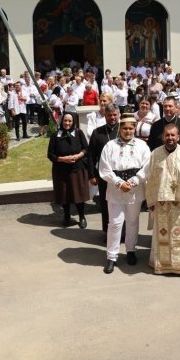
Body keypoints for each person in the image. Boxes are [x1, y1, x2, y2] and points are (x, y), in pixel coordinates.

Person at [145, 122, 180, 275]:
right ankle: (162, 265)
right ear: (163, 137)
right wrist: (150, 201)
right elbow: (150, 178)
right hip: (161, 201)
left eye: (173, 135)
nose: (170, 138)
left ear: (178, 136)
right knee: (162, 235)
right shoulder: (155, 154)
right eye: (167, 135)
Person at [98, 115, 151, 273]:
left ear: (135, 128)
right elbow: (104, 168)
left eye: (131, 128)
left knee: (133, 221)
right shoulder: (110, 145)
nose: (128, 131)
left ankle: (131, 250)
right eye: (125, 128)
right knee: (115, 223)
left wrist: (134, 181)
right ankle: (112, 256)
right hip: (116, 189)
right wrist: (119, 183)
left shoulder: (142, 145)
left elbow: (147, 167)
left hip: (135, 189)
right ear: (120, 128)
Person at [47, 112, 89, 228]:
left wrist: (77, 156)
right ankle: (66, 216)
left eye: (70, 121)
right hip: (61, 170)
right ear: (62, 121)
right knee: (64, 195)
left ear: (73, 122)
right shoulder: (55, 135)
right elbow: (50, 155)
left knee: (78, 194)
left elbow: (86, 148)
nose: (67, 123)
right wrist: (62, 159)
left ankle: (81, 216)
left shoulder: (79, 133)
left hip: (77, 169)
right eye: (65, 121)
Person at [86, 103, 121, 238]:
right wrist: (91, 175)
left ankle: (122, 232)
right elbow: (91, 155)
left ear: (118, 115)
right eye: (109, 115)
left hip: (122, 175)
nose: (112, 117)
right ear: (105, 116)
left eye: (114, 115)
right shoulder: (97, 132)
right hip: (104, 175)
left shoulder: (124, 130)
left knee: (122, 204)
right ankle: (107, 232)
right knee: (106, 203)